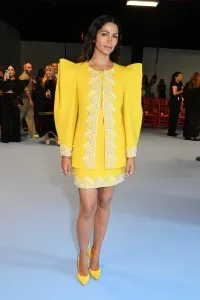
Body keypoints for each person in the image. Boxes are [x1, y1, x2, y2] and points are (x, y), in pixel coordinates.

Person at [54, 14, 142, 285]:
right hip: (84, 151)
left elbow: (131, 114)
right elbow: (68, 112)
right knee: (87, 207)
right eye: (105, 34)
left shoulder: (126, 74)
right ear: (94, 36)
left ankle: (96, 252)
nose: (110, 41)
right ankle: (82, 254)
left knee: (105, 202)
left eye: (115, 36)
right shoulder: (75, 72)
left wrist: (131, 153)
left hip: (114, 152)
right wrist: (66, 151)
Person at [0, 65, 24, 143]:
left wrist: (20, 103)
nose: (10, 71)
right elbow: (2, 90)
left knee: (16, 119)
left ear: (14, 72)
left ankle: (15, 137)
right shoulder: (3, 80)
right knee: (5, 119)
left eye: (12, 70)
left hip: (14, 100)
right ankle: (5, 137)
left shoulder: (18, 81)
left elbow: (20, 93)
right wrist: (4, 80)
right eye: (8, 70)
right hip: (5, 100)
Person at [182, 72, 200, 141]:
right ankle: (195, 136)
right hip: (197, 106)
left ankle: (187, 135)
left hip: (188, 105)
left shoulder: (187, 84)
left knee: (187, 120)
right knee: (196, 121)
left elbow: (183, 95)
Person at [167, 72, 183, 137]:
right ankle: (170, 132)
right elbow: (174, 93)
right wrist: (182, 91)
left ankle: (173, 131)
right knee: (173, 117)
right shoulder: (174, 83)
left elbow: (179, 94)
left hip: (177, 102)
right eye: (179, 76)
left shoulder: (179, 83)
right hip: (173, 102)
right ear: (175, 77)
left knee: (176, 117)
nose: (181, 77)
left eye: (181, 76)